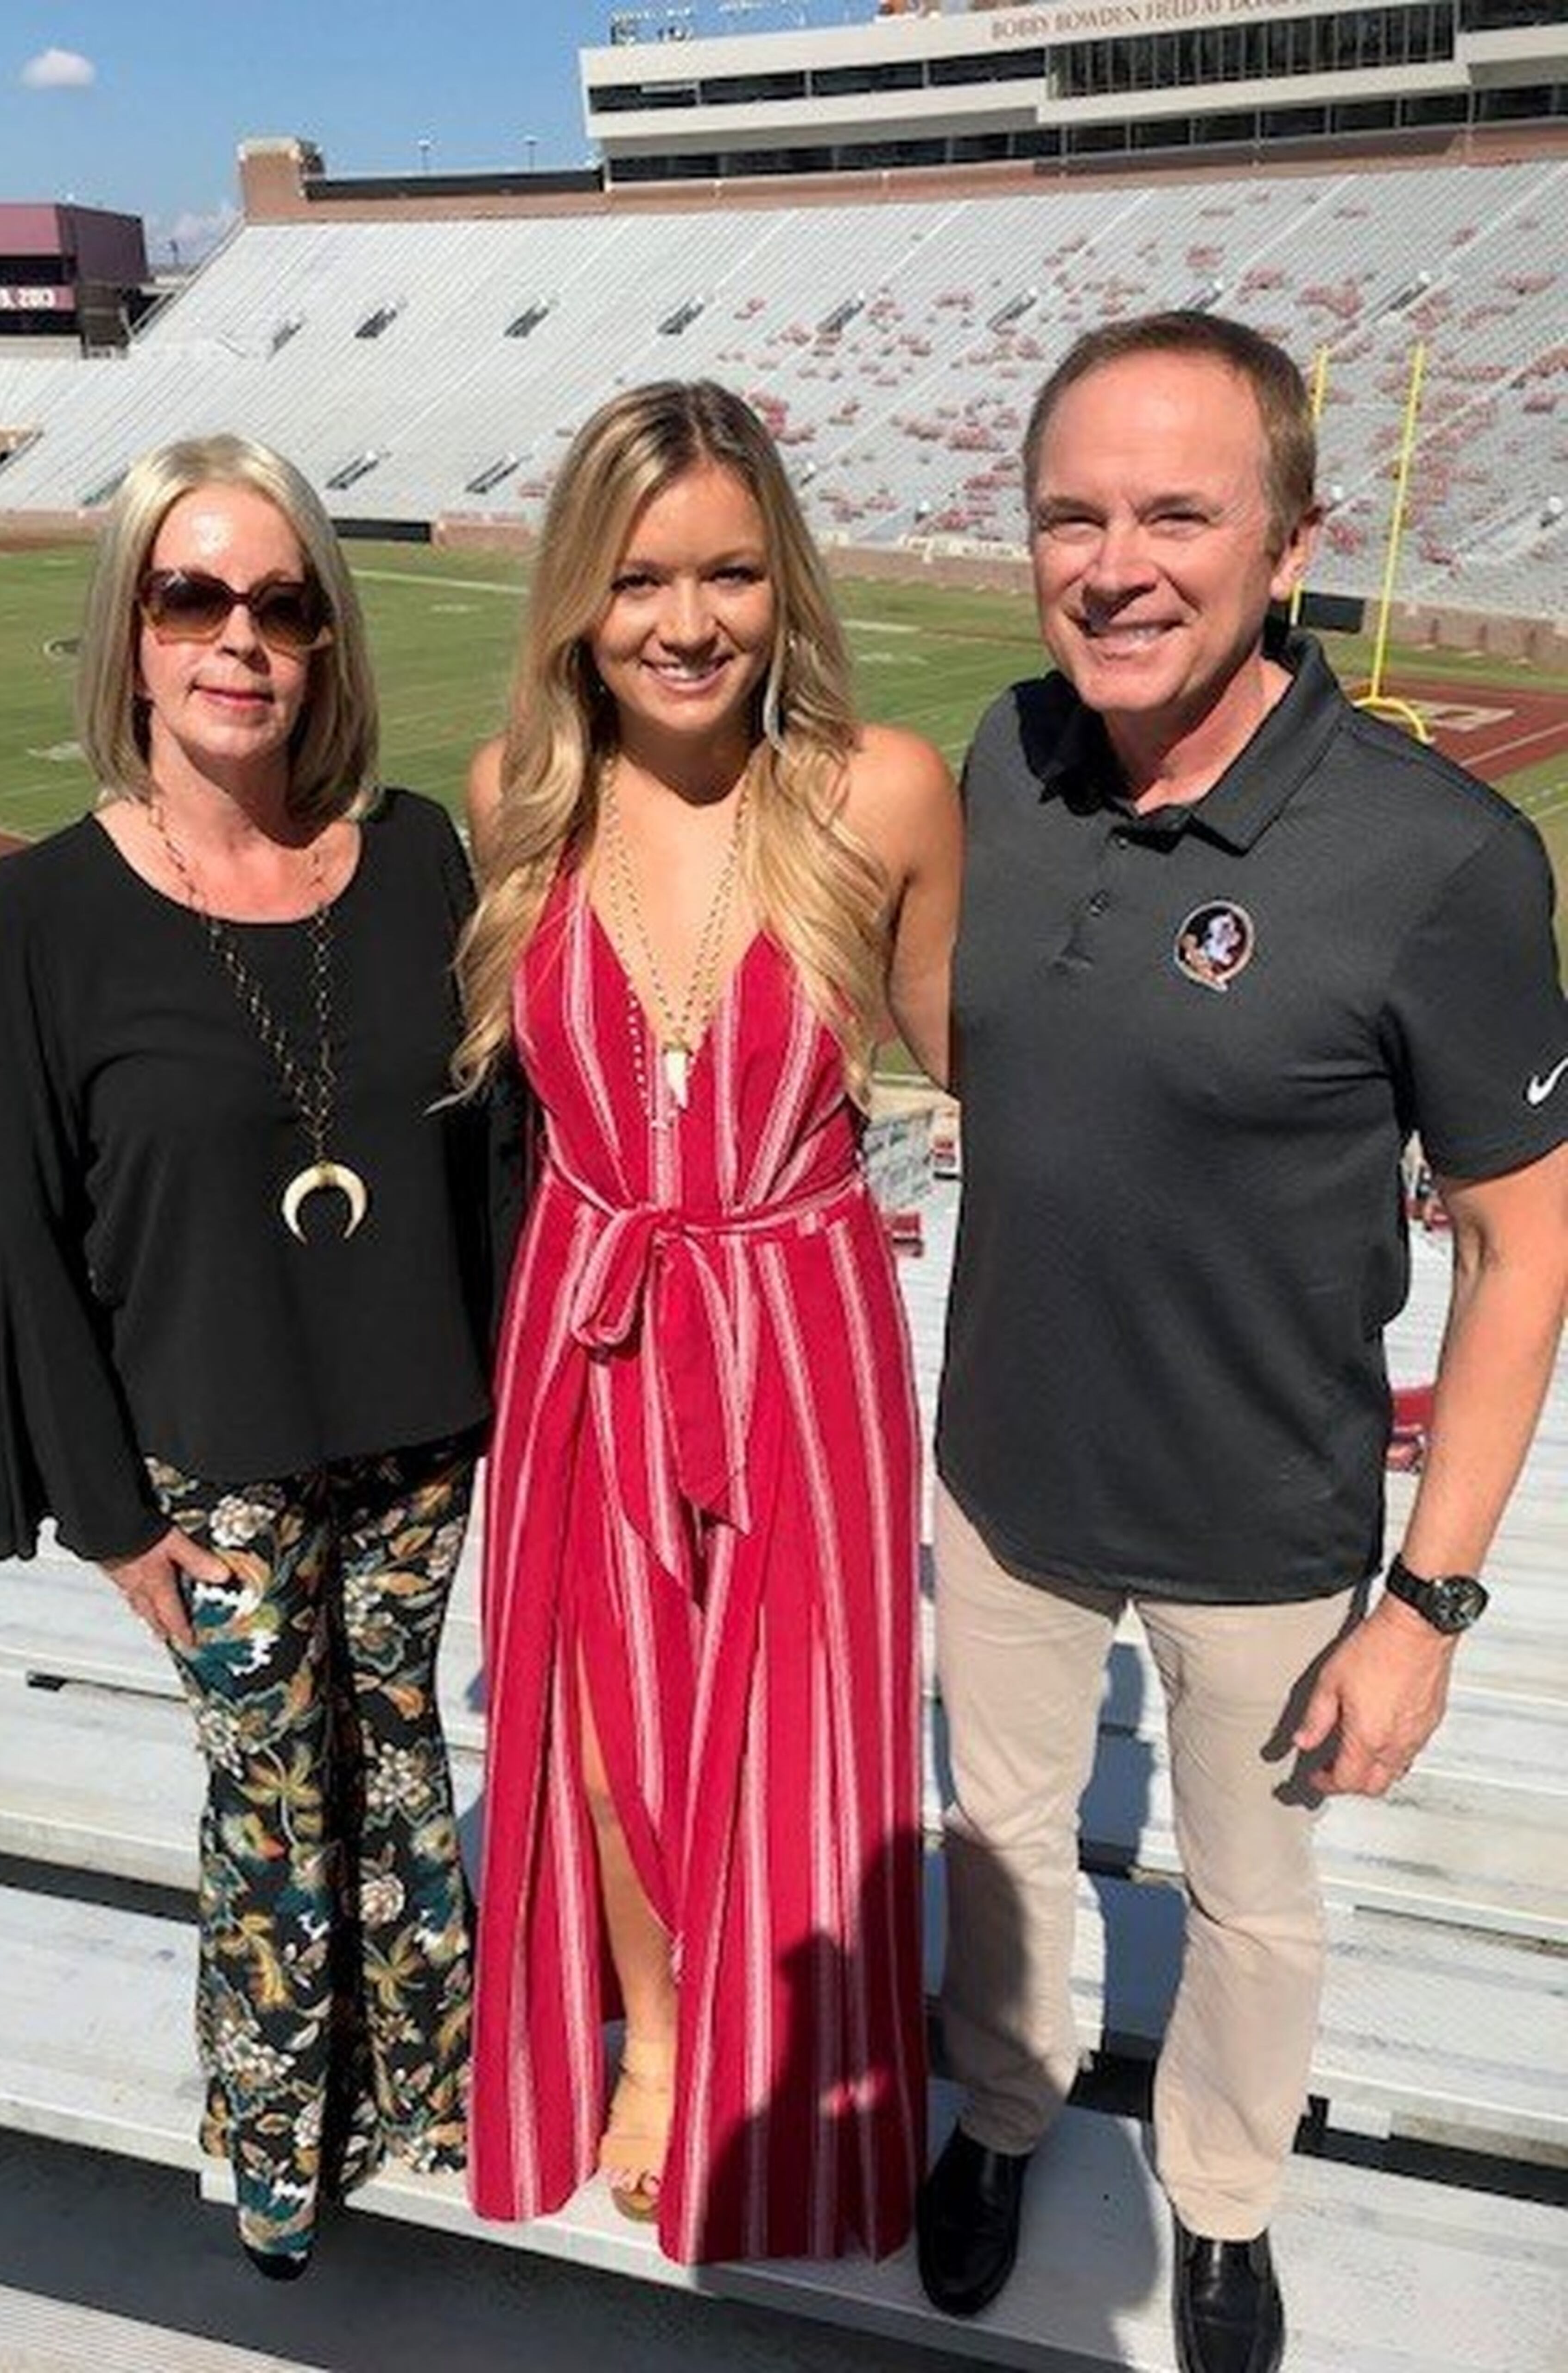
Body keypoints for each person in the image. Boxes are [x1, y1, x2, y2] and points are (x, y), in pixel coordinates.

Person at [917, 310, 1568, 2373]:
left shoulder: (1437, 857)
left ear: (1289, 541)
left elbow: (1527, 1247)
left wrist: (1431, 1600)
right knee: (1000, 1839)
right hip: (1005, 1464)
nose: (1118, 562)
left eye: (1179, 512)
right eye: (1073, 516)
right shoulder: (1001, 760)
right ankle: (1002, 2113)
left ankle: (1217, 2201)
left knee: (1255, 1902)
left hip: (1265, 1513)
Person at [0, 432, 514, 2278]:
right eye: (193, 595)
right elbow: (19, 1226)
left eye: (280, 600)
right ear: (131, 633)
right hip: (213, 1448)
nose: (238, 636)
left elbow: (501, 1139)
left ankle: (425, 2087)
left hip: (424, 1423)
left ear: (328, 638)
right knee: (274, 1790)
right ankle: (278, 2137)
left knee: (402, 1760)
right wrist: (108, 1519)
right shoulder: (38, 908)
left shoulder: (422, 852)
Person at [457, 379, 962, 2264]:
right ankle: (660, 2037)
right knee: (596, 1713)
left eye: (734, 571)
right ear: (580, 598)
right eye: (640, 575)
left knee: (794, 1718)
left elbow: (982, 1055)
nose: (687, 620)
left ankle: (799, 2053)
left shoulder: (879, 789)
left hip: (800, 1315)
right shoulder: (520, 791)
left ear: (788, 581)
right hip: (588, 1315)